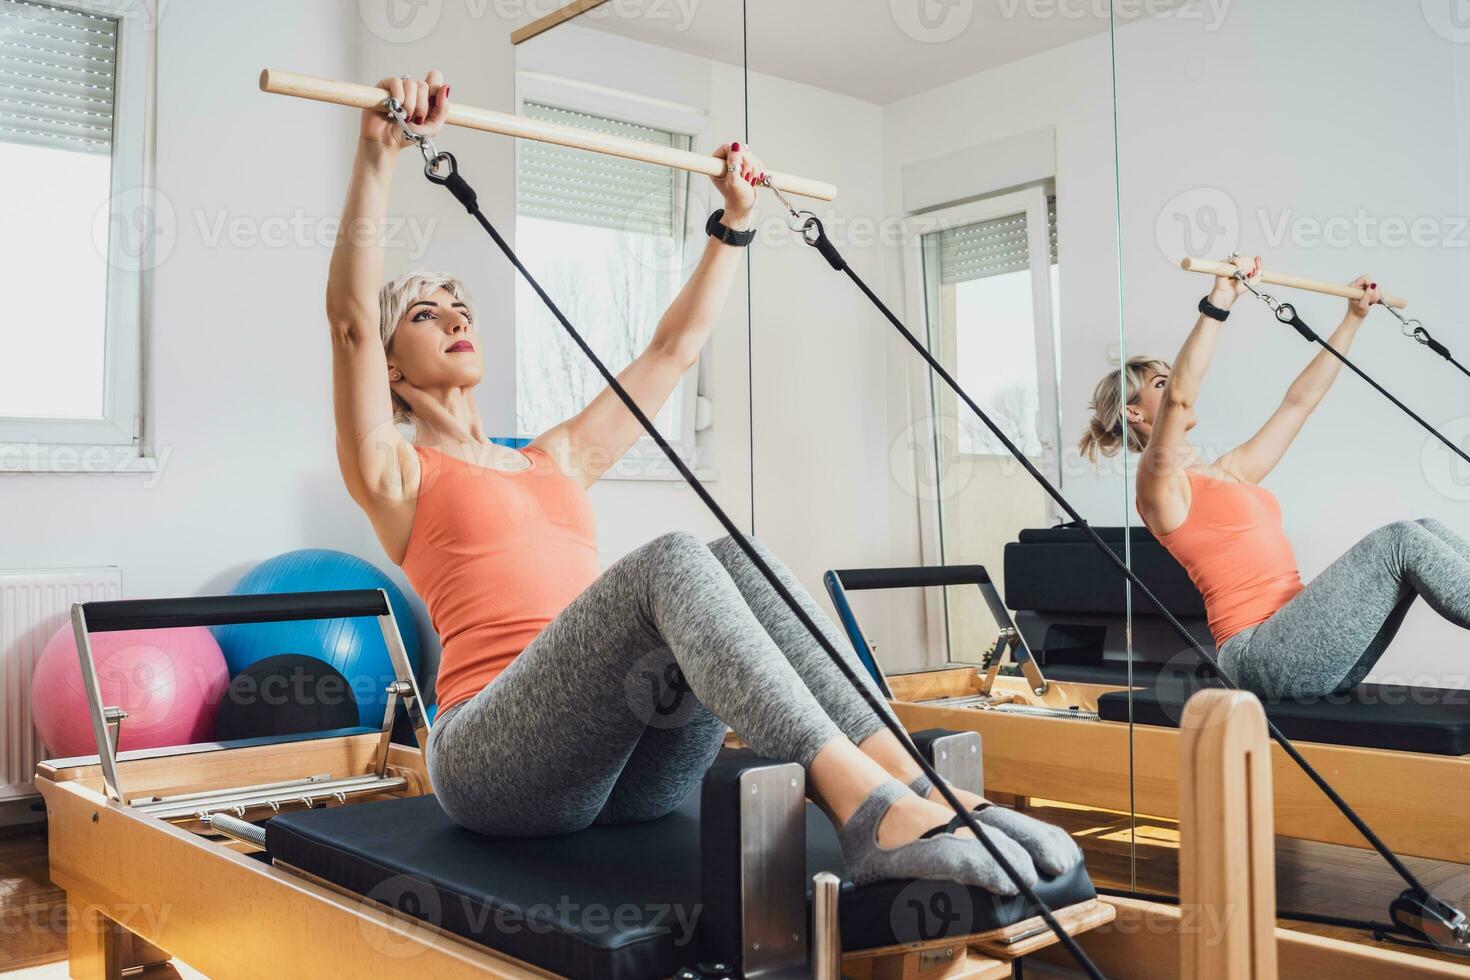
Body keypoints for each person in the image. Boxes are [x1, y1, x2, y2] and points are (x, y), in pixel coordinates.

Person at [326, 71, 1079, 890]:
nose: (454, 318)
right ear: (394, 370)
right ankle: (868, 815)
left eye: (458, 306)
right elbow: (350, 324)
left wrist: (734, 223)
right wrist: (378, 155)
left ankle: (923, 789)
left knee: (740, 555)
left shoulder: (557, 457)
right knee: (673, 557)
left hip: (624, 774)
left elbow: (671, 354)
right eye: (424, 315)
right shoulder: (397, 473)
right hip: (494, 762)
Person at [1080, 255, 1470, 699]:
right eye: (1158, 384)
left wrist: (1352, 319)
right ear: (1134, 412)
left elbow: (1299, 402)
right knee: (1399, 540)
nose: (1170, 389)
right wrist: (1220, 299)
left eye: (1170, 380)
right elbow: (1180, 402)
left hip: (1307, 646)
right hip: (1258, 655)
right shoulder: (1158, 487)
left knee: (1424, 530)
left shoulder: (1230, 471)